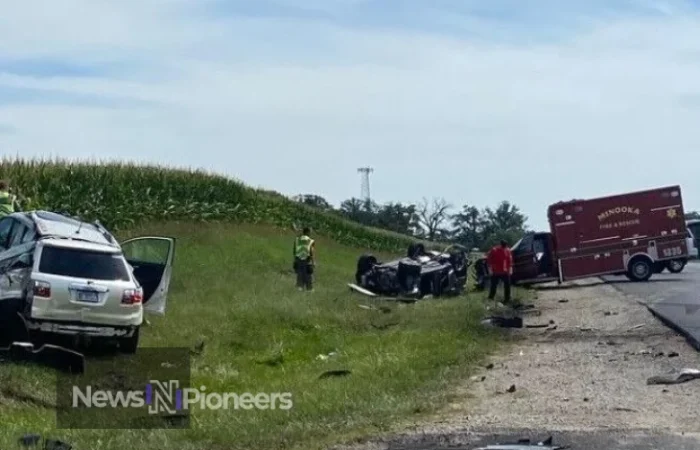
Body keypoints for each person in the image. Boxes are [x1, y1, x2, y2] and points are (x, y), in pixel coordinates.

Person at [486, 239, 513, 304]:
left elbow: (510, 260)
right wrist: (490, 270)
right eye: (503, 246)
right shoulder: (494, 250)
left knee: (507, 285)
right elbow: (489, 260)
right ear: (500, 244)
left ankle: (507, 298)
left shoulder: (508, 250)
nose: (504, 247)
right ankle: (490, 298)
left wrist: (510, 269)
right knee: (493, 285)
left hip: (504, 271)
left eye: (505, 246)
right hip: (495, 272)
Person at [293, 227, 315, 291]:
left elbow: (294, 250)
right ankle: (309, 289)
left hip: (298, 258)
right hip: (307, 259)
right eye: (310, 232)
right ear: (308, 232)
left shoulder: (297, 239)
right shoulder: (311, 241)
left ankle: (300, 287)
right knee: (308, 275)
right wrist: (313, 262)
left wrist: (295, 259)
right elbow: (312, 252)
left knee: (300, 274)